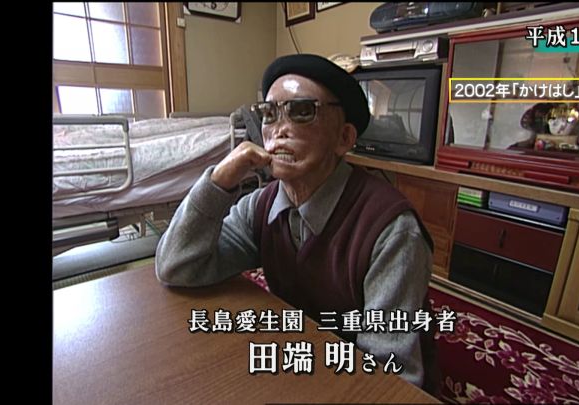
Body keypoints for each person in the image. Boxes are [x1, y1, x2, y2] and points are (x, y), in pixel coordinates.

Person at [155, 54, 436, 390]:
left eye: (302, 111)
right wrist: (218, 181)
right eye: (269, 113)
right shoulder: (262, 205)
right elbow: (176, 267)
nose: (279, 129)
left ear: (344, 138)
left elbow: (389, 377)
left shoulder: (391, 230)